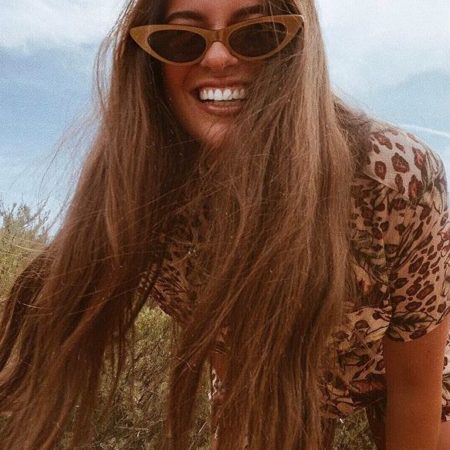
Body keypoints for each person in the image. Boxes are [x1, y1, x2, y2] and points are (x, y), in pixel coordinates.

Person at [0, 0, 449, 449]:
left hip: (401, 363)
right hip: (266, 370)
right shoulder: (148, 202)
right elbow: (229, 350)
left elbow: (415, 386)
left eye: (258, 34)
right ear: (151, 62)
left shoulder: (397, 181)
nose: (217, 58)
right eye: (181, 40)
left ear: (298, 50)